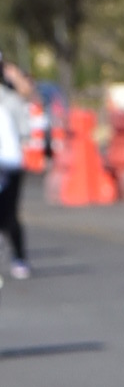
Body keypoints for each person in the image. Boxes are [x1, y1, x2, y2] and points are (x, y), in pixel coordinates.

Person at [0, 54, 36, 279]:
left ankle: (19, 257)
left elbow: (24, 131)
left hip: (9, 164)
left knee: (9, 214)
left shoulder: (11, 100)